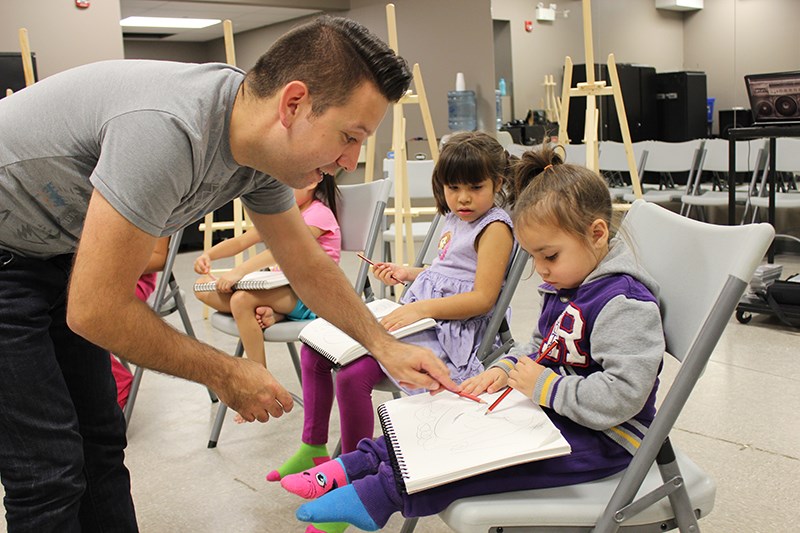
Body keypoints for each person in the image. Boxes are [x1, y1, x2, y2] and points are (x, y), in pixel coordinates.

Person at [0, 15, 458, 531]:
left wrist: (383, 344)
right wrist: (223, 371)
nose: (351, 161)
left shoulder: (258, 151)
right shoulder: (168, 130)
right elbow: (96, 308)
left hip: (51, 252)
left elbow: (306, 264)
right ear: (294, 104)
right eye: (349, 137)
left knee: (100, 443)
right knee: (48, 470)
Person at [278, 144, 666, 531]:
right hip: (557, 413)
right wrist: (507, 369)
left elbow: (623, 397)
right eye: (534, 257)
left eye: (549, 256)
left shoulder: (624, 303)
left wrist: (543, 385)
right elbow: (540, 350)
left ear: (597, 234)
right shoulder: (569, 283)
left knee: (476, 459)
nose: (541, 270)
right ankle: (356, 462)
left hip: (606, 439)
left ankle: (378, 496)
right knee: (450, 415)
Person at [268, 131, 515, 533]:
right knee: (316, 345)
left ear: (497, 184)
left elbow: (483, 297)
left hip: (449, 331)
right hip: (420, 315)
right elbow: (447, 273)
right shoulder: (454, 217)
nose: (463, 198)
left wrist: (419, 306)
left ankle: (348, 481)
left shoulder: (495, 227)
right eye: (454, 188)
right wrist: (409, 273)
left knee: (352, 374)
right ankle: (314, 448)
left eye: (475, 187)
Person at [193, 174, 340, 377]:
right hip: (282, 291)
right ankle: (271, 314)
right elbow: (241, 242)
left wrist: (239, 272)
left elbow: (285, 250)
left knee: (241, 300)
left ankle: (259, 380)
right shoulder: (283, 216)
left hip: (313, 298)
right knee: (201, 287)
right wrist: (208, 255)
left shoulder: (319, 214)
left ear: (312, 182)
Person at [111, 236, 170, 409]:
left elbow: (159, 258)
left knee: (83, 315)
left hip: (132, 280)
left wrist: (107, 263)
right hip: (95, 276)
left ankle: (118, 384)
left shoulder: (154, 209)